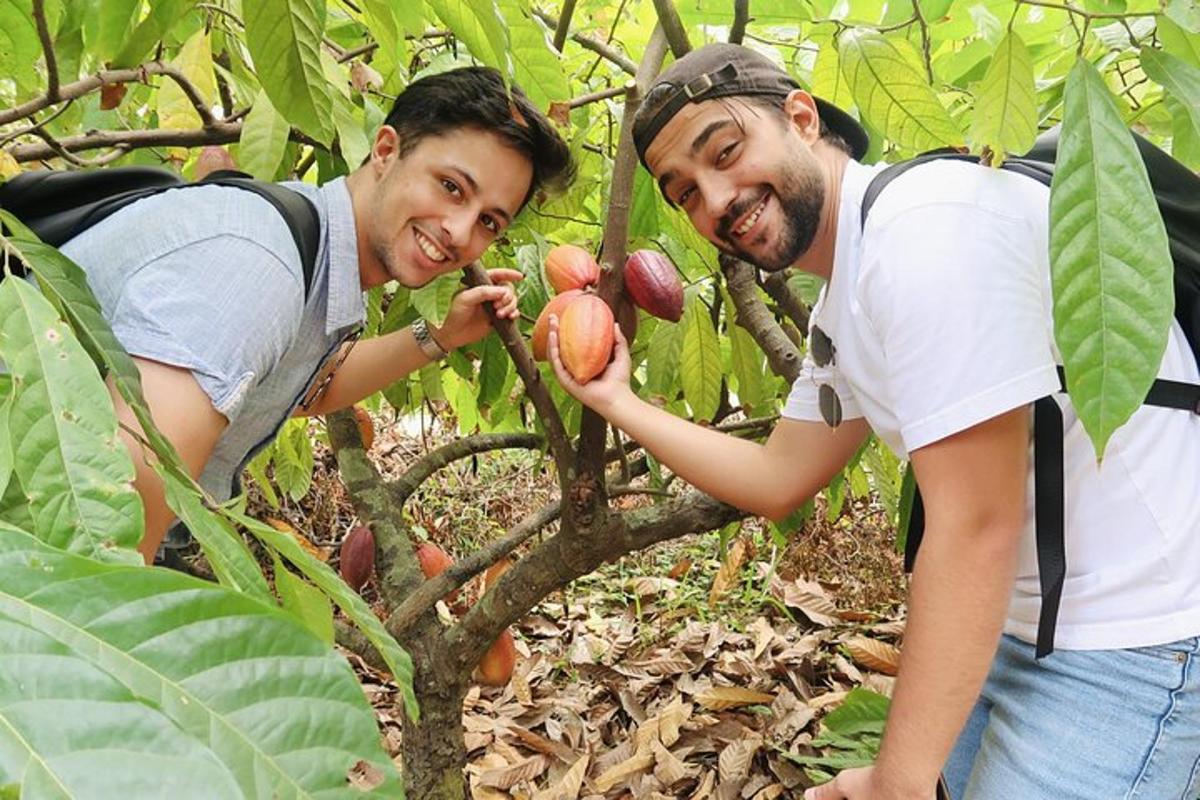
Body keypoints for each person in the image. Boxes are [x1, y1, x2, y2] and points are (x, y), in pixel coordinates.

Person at [548, 43, 1200, 799]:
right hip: (1022, 631)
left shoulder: (923, 237)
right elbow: (777, 477)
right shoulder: (851, 283)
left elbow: (975, 525)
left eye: (726, 152)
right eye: (685, 192)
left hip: (1134, 639)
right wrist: (620, 403)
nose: (717, 198)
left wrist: (898, 780)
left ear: (801, 117)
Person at [54, 66, 573, 563]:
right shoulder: (261, 266)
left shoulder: (311, 249)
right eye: (451, 186)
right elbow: (123, 492)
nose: (461, 232)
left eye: (488, 221)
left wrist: (438, 336)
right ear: (387, 150)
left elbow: (302, 388)